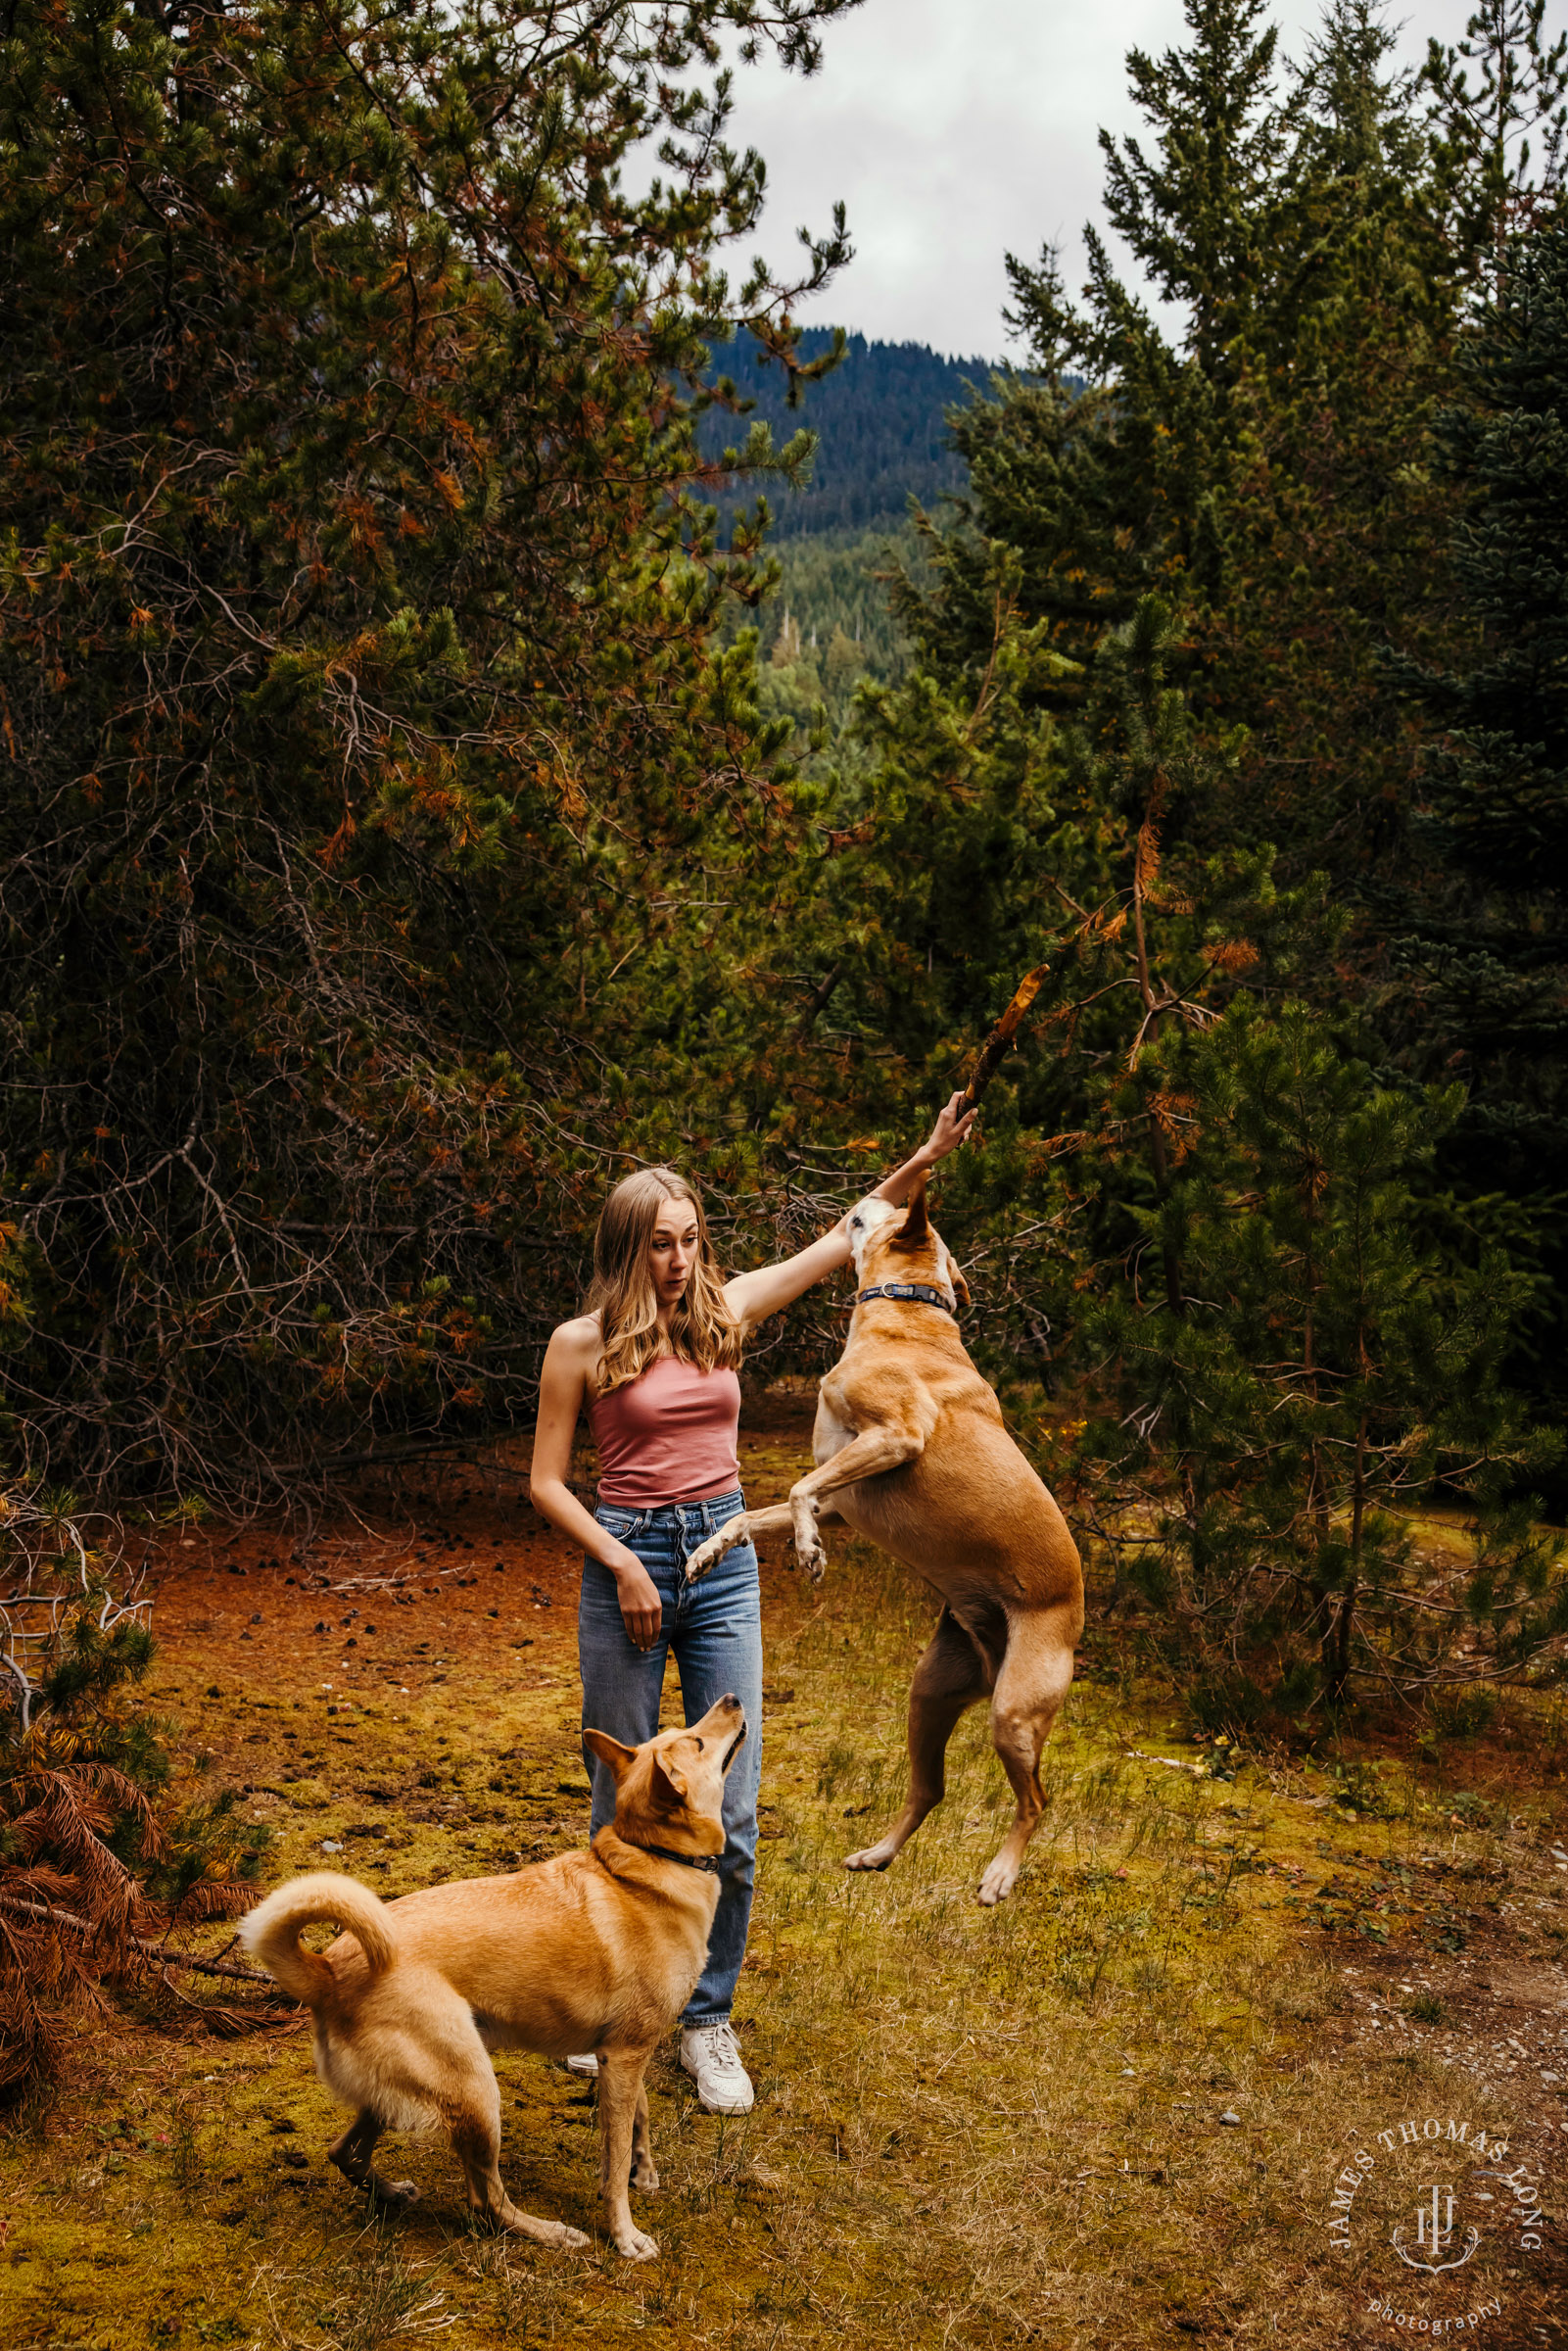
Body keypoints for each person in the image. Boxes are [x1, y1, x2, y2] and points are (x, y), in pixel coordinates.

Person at [528, 1095, 976, 2114]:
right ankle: (609, 2009)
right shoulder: (579, 1343)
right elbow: (547, 1481)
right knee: (624, 1800)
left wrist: (924, 1155)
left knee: (729, 1804)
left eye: (688, 1240)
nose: (677, 1260)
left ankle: (705, 2018)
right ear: (623, 1249)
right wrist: (623, 1567)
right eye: (658, 1245)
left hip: (724, 1561)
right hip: (627, 1566)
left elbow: (839, 1237)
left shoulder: (723, 1315)